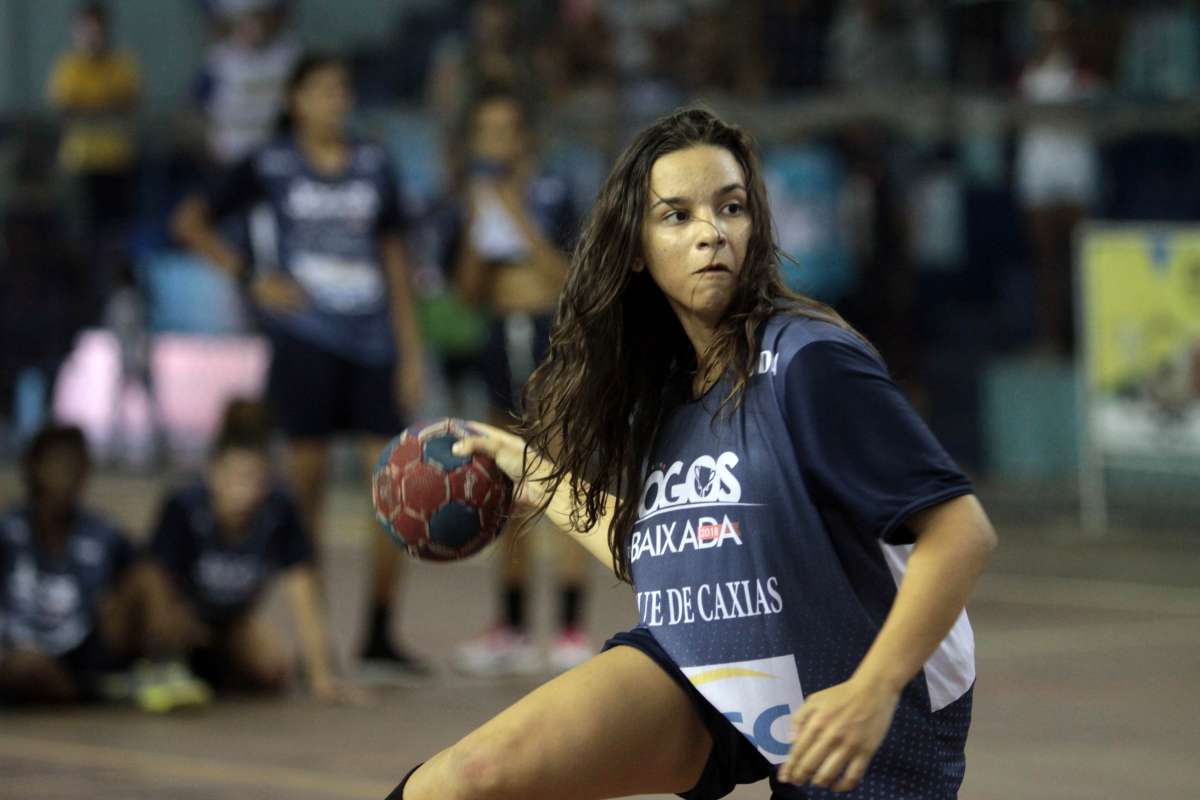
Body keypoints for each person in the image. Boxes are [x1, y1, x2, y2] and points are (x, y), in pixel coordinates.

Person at [388, 108, 998, 799]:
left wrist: (873, 689)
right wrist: (538, 475)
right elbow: (668, 555)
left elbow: (961, 532)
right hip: (722, 670)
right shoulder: (665, 389)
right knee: (463, 781)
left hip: (859, 697)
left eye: (730, 207)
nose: (711, 231)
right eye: (676, 216)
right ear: (638, 249)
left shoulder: (809, 362)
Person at [171, 53, 428, 677]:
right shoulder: (272, 162)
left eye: (342, 88)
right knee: (304, 495)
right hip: (304, 342)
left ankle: (378, 634)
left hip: (372, 344)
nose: (335, 100)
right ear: (294, 101)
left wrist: (410, 348)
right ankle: (318, 644)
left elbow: (395, 256)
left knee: (393, 489)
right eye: (320, 90)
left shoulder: (373, 163)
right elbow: (189, 221)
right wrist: (251, 278)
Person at [447, 87, 590, 676]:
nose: (496, 141)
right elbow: (465, 290)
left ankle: (571, 626)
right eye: (486, 130)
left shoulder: (554, 192)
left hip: (548, 337)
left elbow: (568, 276)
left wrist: (515, 213)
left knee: (559, 477)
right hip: (496, 335)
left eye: (506, 128)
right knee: (504, 482)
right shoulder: (473, 200)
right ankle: (509, 625)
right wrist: (484, 225)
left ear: (525, 135)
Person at [148, 399, 356, 701]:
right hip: (182, 615)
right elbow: (153, 578)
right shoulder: (183, 506)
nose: (243, 491)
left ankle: (209, 671)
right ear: (213, 473)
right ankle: (160, 666)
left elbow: (302, 590)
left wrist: (320, 676)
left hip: (231, 621)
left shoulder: (278, 511)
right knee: (153, 593)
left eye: (253, 479)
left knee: (271, 669)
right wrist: (166, 636)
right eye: (234, 477)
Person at [0, 425, 209, 711]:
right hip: (22, 650)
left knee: (149, 576)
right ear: (34, 467)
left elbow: (150, 576)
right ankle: (96, 689)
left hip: (85, 645)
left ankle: (167, 669)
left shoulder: (103, 532)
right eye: (58, 463)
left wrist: (175, 613)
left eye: (76, 466)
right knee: (26, 669)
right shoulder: (9, 530)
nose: (67, 475)